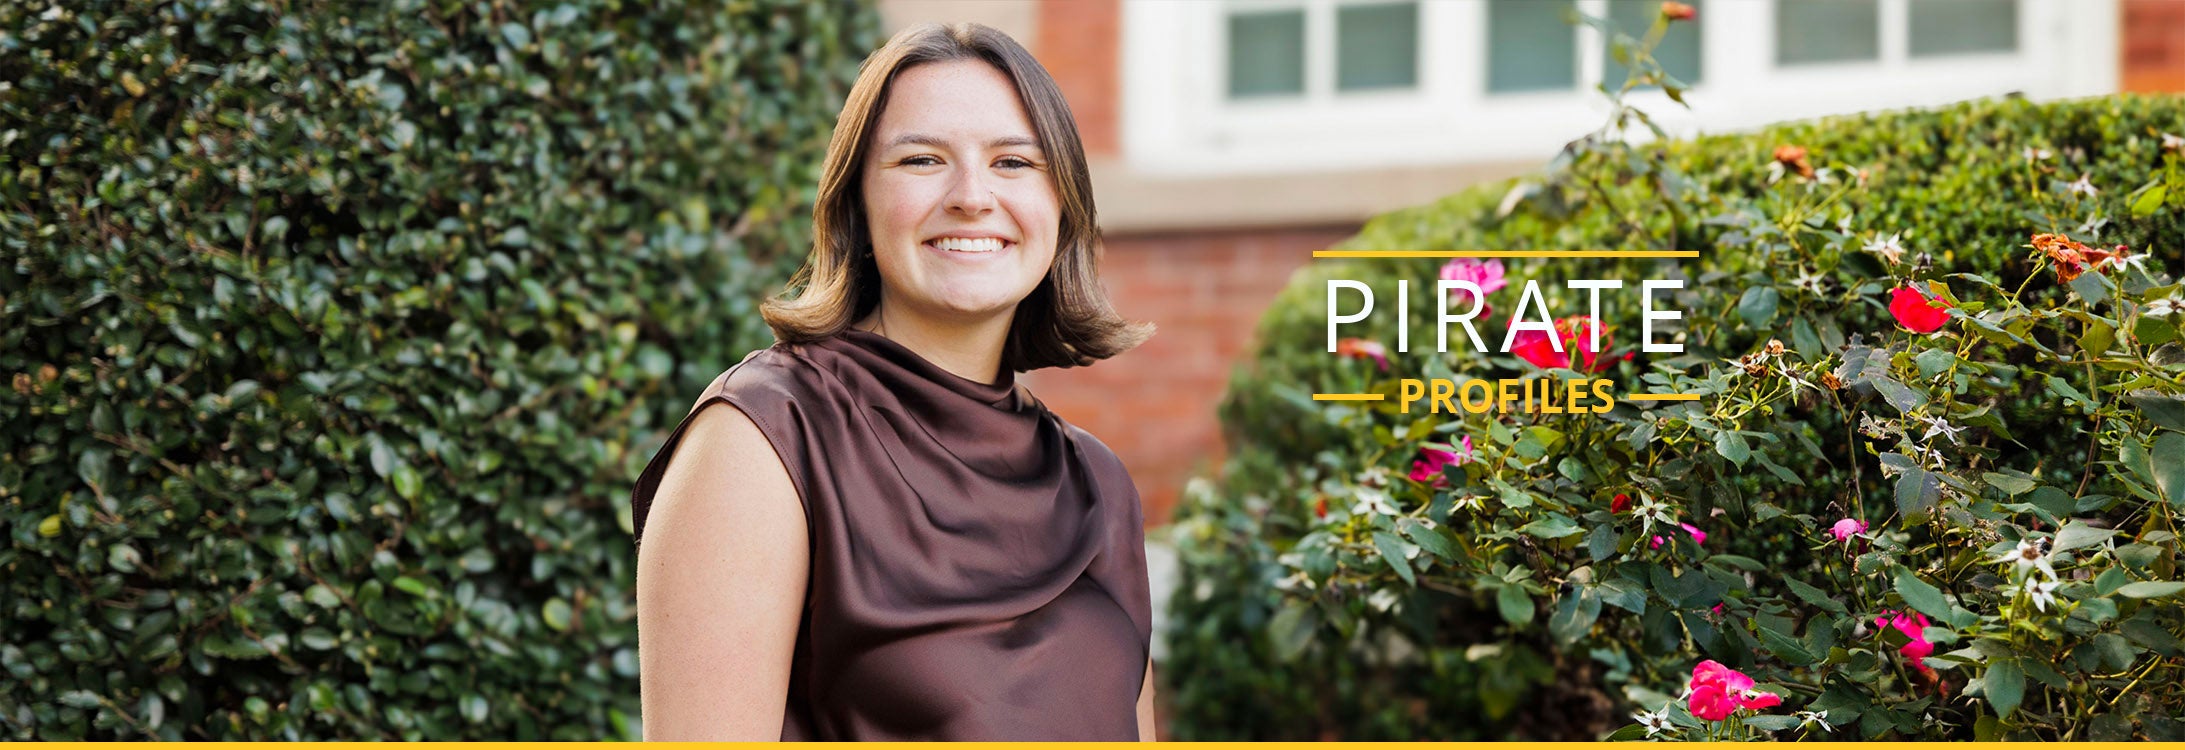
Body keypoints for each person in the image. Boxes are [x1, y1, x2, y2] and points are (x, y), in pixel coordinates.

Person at [629, 22, 1158, 741]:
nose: (972, 197)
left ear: (1061, 208)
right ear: (858, 206)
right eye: (920, 160)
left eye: (1013, 163)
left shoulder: (1097, 482)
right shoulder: (763, 438)